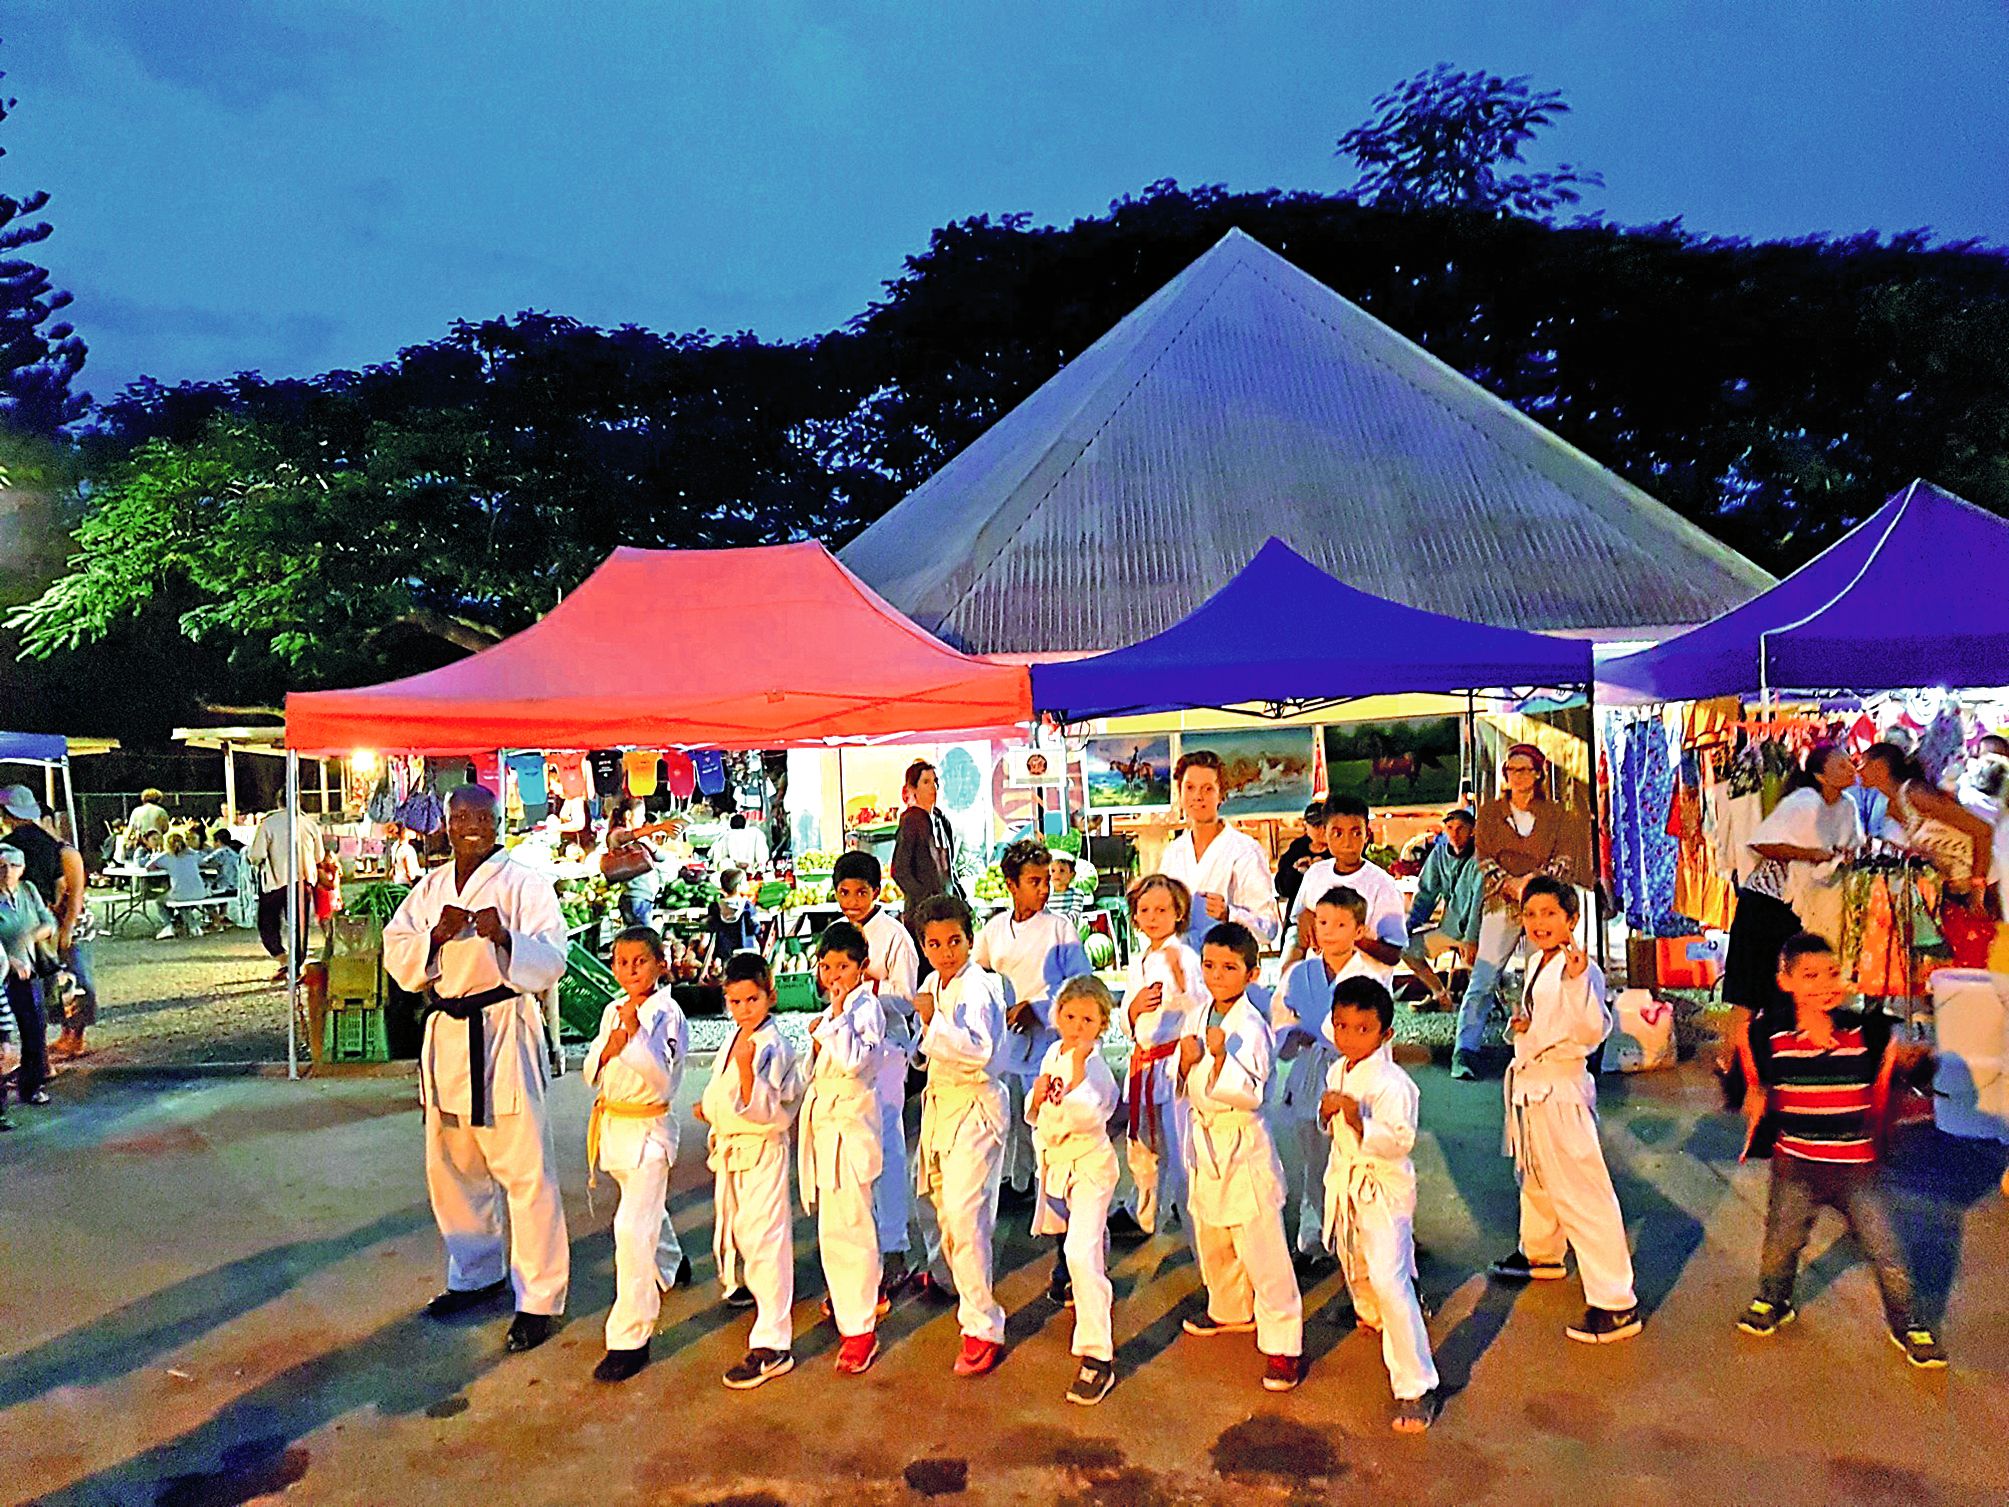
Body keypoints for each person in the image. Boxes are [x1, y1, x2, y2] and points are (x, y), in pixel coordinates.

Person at [382, 784, 571, 1356]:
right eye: (459, 815)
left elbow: (553, 959)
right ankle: (476, 1273)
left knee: (525, 1168)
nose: (471, 825)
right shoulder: (430, 887)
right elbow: (397, 952)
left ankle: (539, 1298)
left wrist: (506, 936)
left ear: (497, 822)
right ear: (446, 823)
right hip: (448, 1031)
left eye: (481, 816)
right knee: (453, 1164)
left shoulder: (525, 883)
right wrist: (435, 937)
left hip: (503, 1027)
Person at [1737, 933, 1944, 1366]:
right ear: (1785, 981)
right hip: (1795, 1164)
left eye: (1832, 974)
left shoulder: (1866, 1032)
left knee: (1886, 1250)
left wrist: (1915, 1062)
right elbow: (1752, 1075)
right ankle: (1773, 1300)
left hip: (1855, 1167)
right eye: (1810, 976)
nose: (1824, 985)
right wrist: (1751, 1092)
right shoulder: (1772, 1035)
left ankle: (1908, 1323)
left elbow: (1903, 1072)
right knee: (1781, 1242)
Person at [1487, 876, 1640, 1344]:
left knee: (1582, 1191)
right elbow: (1546, 1020)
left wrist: (1576, 983)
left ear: (1571, 919)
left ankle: (1615, 1301)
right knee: (1536, 1176)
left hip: (1560, 1089)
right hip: (1532, 1085)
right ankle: (1541, 1252)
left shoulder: (1581, 969)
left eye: (1550, 914)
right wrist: (1525, 1027)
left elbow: (1591, 1029)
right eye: (1531, 914)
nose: (1539, 923)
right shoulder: (1538, 960)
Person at [1177, 920, 1304, 1392]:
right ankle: (1229, 1308)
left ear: (1252, 974)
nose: (1216, 976)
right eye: (1209, 965)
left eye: (1229, 968)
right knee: (1213, 1235)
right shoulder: (1198, 1013)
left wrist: (1217, 1059)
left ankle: (1283, 1343)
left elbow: (1251, 1093)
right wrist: (1186, 1062)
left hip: (1241, 1142)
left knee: (1261, 1247)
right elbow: (1183, 1077)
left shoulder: (1252, 1027)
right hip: (1205, 1140)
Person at [1319, 975, 1440, 1432]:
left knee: (1390, 1278)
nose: (1350, 1037)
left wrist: (1358, 1120)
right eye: (1341, 1026)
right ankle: (1371, 1315)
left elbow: (1400, 1142)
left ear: (1385, 1033)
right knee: (1355, 1261)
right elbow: (1330, 1127)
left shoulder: (1394, 1084)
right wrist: (1328, 1114)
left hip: (1382, 1188)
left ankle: (1416, 1385)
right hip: (1347, 1180)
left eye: (1362, 1029)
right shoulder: (1338, 1071)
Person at [1720, 746, 1863, 1097]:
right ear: (1820, 775)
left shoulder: (1847, 806)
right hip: (1766, 904)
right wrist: (1810, 854)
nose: (1849, 768)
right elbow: (1763, 843)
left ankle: (1777, 1069)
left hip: (1802, 907)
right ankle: (1732, 1065)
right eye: (1840, 764)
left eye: (1850, 762)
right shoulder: (1803, 802)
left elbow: (1851, 844)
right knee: (1749, 992)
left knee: (1785, 993)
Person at [584, 925, 691, 1383]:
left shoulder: (666, 1014)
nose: (630, 970)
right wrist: (610, 1045)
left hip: (650, 1131)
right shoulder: (613, 1009)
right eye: (621, 962)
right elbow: (591, 1070)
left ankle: (630, 1337)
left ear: (660, 965)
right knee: (643, 1210)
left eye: (640, 961)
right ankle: (671, 1261)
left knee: (631, 1229)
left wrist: (630, 1041)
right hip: (615, 1127)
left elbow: (663, 1079)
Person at [910, 892, 1011, 1376]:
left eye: (954, 941)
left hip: (974, 1108)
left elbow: (977, 1052)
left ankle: (982, 1325)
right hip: (942, 1106)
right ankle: (955, 1281)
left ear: (970, 940)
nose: (945, 952)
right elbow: (924, 1047)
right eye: (934, 944)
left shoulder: (981, 987)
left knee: (966, 1216)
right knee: (940, 1209)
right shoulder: (933, 982)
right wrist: (920, 1036)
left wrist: (932, 1022)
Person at [698, 951, 804, 1390]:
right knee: (744, 1233)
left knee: (765, 1240)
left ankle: (773, 1343)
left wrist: (744, 1071)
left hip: (762, 1150)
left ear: (770, 996)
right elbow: (723, 1094)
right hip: (733, 1149)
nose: (744, 1009)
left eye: (752, 1000)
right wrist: (711, 1109)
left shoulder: (773, 1045)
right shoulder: (737, 1038)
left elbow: (765, 1108)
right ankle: (756, 1300)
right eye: (735, 1001)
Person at [1454, 746, 1585, 1081]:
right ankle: (1465, 1048)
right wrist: (1512, 884)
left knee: (1541, 975)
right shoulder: (1490, 813)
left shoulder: (1556, 815)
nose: (1517, 776)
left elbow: (1564, 858)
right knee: (1485, 976)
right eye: (1512, 770)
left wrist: (1534, 884)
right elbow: (1484, 857)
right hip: (1503, 901)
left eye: (1524, 770)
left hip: (1542, 907)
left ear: (1538, 774)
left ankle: (1539, 1045)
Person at [972, 839, 1091, 1203]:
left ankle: (1052, 1191)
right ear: (1012, 885)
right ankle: (1018, 1181)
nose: (1043, 889)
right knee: (1012, 1116)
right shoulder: (994, 930)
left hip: (1050, 1043)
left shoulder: (1060, 930)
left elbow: (1081, 986)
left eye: (1046, 881)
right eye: (1034, 882)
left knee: (1050, 1118)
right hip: (1008, 1041)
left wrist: (1038, 1008)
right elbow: (978, 975)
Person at [1270, 886, 1381, 1267]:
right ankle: (1314, 1231)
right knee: (1314, 1155)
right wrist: (1292, 1034)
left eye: (1340, 924)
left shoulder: (1369, 977)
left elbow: (1378, 1032)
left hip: (1354, 1073)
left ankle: (1358, 1231)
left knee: (1353, 1152)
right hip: (1310, 1069)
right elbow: (1280, 1018)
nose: (1329, 931)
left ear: (1359, 930)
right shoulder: (1300, 973)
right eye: (1322, 922)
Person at [831, 849, 923, 1295]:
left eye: (861, 892)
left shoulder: (894, 936)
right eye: (844, 893)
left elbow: (906, 996)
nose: (852, 901)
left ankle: (895, 1246)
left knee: (886, 1147)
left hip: (887, 1050)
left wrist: (864, 985)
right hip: (847, 1054)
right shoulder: (837, 933)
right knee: (854, 1151)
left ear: (877, 891)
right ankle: (861, 1247)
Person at [1030, 974, 1123, 1406]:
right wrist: (1035, 1100)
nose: (1078, 1027)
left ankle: (1097, 1355)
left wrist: (1081, 1068)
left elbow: (1087, 1114)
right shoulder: (1054, 1053)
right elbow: (1042, 1109)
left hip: (1090, 1165)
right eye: (1070, 1017)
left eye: (1088, 1020)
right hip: (1060, 1162)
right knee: (1082, 1244)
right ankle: (1091, 1281)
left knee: (1079, 1252)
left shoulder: (1096, 1067)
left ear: (1103, 1024)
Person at [800, 921, 887, 1376]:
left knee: (850, 1224)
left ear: (862, 967)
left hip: (851, 1125)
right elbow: (814, 1070)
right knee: (836, 1224)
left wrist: (834, 1019)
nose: (834, 975)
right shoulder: (836, 1011)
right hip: (827, 1123)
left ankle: (860, 1328)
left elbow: (854, 1062)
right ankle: (852, 1300)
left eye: (843, 967)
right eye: (827, 967)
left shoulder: (866, 1008)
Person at [1109, 874, 1205, 1241]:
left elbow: (1198, 1005)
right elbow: (1128, 1016)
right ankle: (1146, 1211)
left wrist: (1179, 982)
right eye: (1145, 910)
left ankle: (1190, 1218)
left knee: (1179, 1149)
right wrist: (1133, 1008)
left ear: (1179, 913)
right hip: (1145, 1062)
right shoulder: (1140, 960)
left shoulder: (1185, 957)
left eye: (1162, 910)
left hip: (1172, 1062)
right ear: (1135, 915)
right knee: (1143, 1147)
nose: (1153, 917)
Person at [0, 785, 93, 1062]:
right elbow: (63, 887)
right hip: (50, 922)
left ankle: (65, 1042)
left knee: (55, 984)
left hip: (44, 923)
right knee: (64, 982)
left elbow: (73, 893)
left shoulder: (14, 848)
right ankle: (65, 1039)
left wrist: (65, 927)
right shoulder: (55, 847)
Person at [1160, 750, 1279, 955]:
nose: (1198, 796)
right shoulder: (1173, 853)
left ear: (1221, 794)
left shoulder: (1246, 851)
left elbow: (1269, 928)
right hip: (1181, 965)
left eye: (1208, 789)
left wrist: (1229, 914)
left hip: (1228, 962)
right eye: (1190, 787)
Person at [1284, 797, 1408, 979]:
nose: (1347, 842)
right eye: (1338, 833)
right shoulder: (1315, 874)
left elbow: (1394, 954)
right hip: (1318, 985)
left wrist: (1352, 937)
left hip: (1364, 987)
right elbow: (1300, 928)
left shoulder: (1382, 885)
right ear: (1325, 834)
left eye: (1356, 833)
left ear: (1367, 835)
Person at [1858, 742, 1995, 901]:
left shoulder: (1916, 794)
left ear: (1880, 766)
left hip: (1987, 883)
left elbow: (1983, 830)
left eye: (1862, 763)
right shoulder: (1892, 807)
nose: (1858, 770)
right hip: (1958, 890)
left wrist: (1977, 887)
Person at [1403, 808, 1481, 1011]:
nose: (1455, 834)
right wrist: (1409, 926)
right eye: (1450, 828)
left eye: (1461, 828)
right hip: (1450, 929)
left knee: (1485, 973)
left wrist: (1471, 939)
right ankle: (1440, 995)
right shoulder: (1439, 854)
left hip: (1479, 934)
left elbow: (1478, 903)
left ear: (1472, 831)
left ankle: (1492, 1005)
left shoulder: (1481, 858)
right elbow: (1427, 892)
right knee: (1405, 948)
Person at [0, 844, 58, 1108]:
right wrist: (8, 960)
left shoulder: (28, 890)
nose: (7, 872)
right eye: (2, 866)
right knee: (3, 1035)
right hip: (4, 972)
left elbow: (49, 923)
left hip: (28, 970)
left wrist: (30, 936)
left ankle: (32, 1085)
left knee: (34, 1028)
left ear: (22, 869)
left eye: (13, 866)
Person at [247, 804, 326, 974]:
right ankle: (297, 962)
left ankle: (281, 956)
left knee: (268, 921)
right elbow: (319, 856)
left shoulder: (269, 823)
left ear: (278, 802)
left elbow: (256, 854)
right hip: (303, 880)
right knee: (299, 924)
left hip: (276, 880)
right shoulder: (309, 824)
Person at [891, 760, 959, 947]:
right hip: (921, 915)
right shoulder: (911, 822)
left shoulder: (941, 820)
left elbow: (950, 868)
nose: (933, 787)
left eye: (935, 781)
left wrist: (960, 898)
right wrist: (924, 898)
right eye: (926, 782)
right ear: (913, 788)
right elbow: (899, 870)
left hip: (946, 909)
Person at [147, 830, 212, 938]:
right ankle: (192, 926)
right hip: (200, 892)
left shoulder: (167, 858)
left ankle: (169, 925)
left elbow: (149, 866)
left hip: (180, 893)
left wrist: (163, 854)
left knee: (161, 901)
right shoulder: (192, 855)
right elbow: (203, 861)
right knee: (184, 903)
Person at [1274, 801, 1329, 915]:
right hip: (1298, 915)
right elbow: (1282, 889)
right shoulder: (1297, 849)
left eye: (1325, 825)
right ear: (1306, 826)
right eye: (1316, 826)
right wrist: (1295, 870)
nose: (1322, 830)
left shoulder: (1339, 850)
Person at [1046, 848, 1093, 922]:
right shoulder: (1045, 894)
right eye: (1053, 871)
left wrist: (1058, 922)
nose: (1057, 874)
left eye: (1062, 870)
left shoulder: (1076, 894)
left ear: (1072, 874)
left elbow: (1074, 915)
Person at [388, 823, 426, 887]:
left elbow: (393, 866)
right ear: (406, 832)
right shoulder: (407, 849)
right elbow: (409, 870)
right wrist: (414, 882)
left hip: (398, 881)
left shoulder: (395, 846)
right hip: (407, 882)